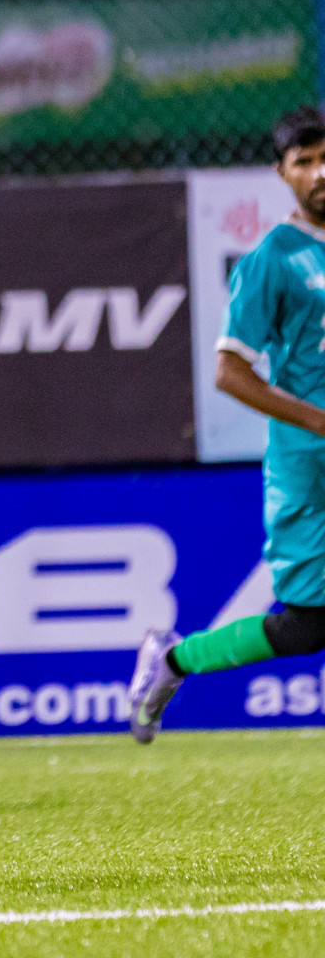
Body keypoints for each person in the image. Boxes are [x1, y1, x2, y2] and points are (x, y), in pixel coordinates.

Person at [131, 106, 325, 741]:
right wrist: (318, 422)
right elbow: (229, 372)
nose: (320, 171)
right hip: (309, 464)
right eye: (305, 161)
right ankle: (173, 659)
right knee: (306, 626)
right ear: (282, 173)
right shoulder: (271, 260)